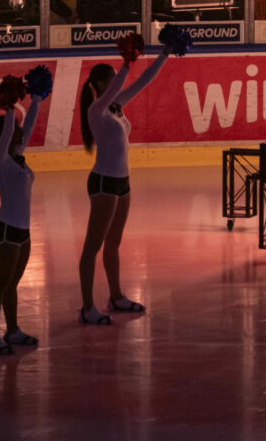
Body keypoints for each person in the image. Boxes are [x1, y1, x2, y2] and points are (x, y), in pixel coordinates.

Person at [78, 38, 171, 324]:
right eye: (109, 80)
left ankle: (116, 296)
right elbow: (119, 85)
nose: (114, 84)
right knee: (92, 247)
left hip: (122, 183)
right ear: (100, 84)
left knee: (113, 244)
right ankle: (87, 307)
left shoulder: (116, 107)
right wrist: (126, 63)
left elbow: (143, 82)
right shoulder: (96, 110)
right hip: (103, 183)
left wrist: (164, 54)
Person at [0, 83, 48, 354]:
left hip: (23, 232)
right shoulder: (1, 161)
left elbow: (26, 127)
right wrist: (9, 107)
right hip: (6, 230)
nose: (21, 132)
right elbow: (10, 130)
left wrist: (37, 99)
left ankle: (13, 330)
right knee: (0, 285)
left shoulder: (17, 157)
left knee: (11, 284)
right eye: (15, 129)